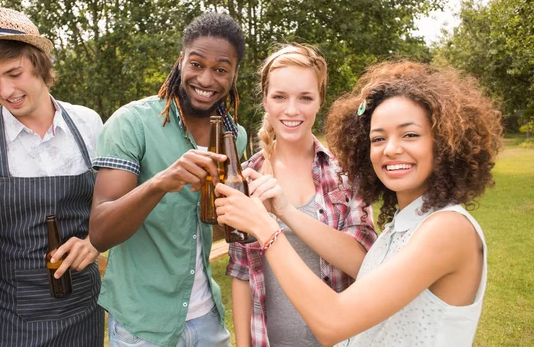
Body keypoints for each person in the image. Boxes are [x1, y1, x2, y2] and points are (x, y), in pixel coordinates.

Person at [215, 61, 503, 346]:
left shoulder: (448, 229)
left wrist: (266, 228)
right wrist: (284, 210)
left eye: (410, 134)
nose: (391, 149)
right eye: (378, 138)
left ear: (444, 142)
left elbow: (332, 322)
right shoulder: (403, 226)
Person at [0, 7, 104, 346]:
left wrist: (93, 242)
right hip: (18, 323)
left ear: (40, 63)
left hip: (86, 314)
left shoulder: (88, 125)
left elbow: (110, 209)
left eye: (14, 73)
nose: (6, 91)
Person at [89, 12, 247, 347]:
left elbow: (214, 228)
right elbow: (100, 232)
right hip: (143, 326)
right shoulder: (132, 123)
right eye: (196, 64)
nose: (206, 79)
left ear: (234, 74)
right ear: (180, 62)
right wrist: (161, 183)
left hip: (208, 321)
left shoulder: (234, 137)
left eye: (221, 69)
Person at [225, 44, 377, 347]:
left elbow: (364, 264)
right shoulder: (245, 177)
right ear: (266, 101)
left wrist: (285, 212)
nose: (291, 110)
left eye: (305, 97)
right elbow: (242, 274)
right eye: (280, 97)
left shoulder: (346, 173)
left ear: (320, 101)